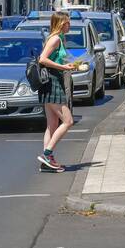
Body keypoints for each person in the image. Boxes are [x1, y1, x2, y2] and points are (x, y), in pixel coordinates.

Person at [36, 11, 80, 172]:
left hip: (53, 81)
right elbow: (43, 59)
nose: (70, 25)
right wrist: (63, 68)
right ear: (61, 24)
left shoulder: (60, 39)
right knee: (68, 121)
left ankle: (47, 162)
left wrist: (73, 64)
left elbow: (60, 58)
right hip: (52, 82)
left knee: (52, 125)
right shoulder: (54, 39)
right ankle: (47, 154)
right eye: (68, 23)